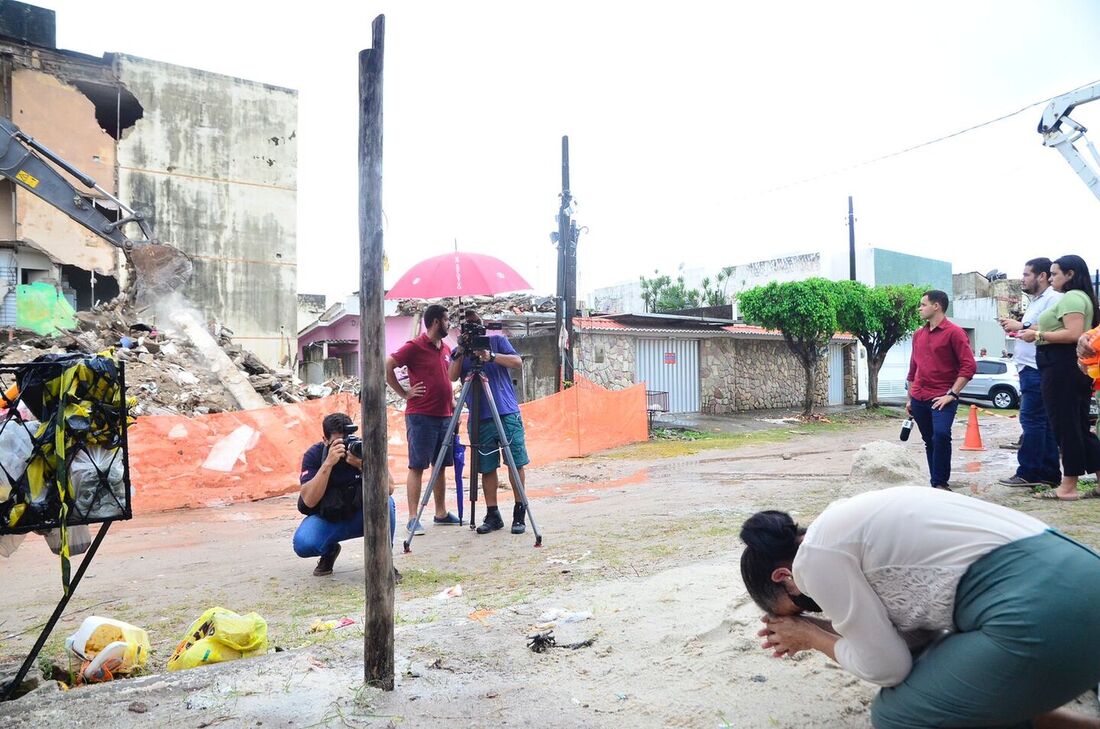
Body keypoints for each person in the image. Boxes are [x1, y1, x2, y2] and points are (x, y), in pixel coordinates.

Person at [740, 486, 1100, 729]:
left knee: (897, 714)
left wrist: (809, 636)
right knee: (941, 675)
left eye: (800, 607)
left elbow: (888, 667)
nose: (814, 610)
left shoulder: (814, 560)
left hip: (1046, 619)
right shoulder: (844, 522)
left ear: (784, 575)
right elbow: (914, 636)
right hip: (1081, 580)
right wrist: (816, 631)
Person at [1017, 254, 1100, 501]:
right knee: (1078, 427)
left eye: (1054, 273)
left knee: (1066, 428)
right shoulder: (1078, 297)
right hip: (1065, 367)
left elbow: (1074, 333)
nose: (1051, 278)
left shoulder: (1073, 297)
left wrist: (1038, 335)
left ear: (1070, 274)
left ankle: (1068, 486)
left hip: (1062, 368)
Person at [448, 311, 529, 535]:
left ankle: (520, 509)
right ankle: (492, 514)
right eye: (468, 325)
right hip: (480, 417)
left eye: (476, 323)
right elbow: (452, 376)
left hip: (505, 412)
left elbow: (517, 362)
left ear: (483, 325)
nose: (473, 328)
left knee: (515, 462)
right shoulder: (459, 352)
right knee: (486, 467)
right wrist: (462, 351)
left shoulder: (497, 341)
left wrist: (490, 356)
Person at [293, 413, 399, 580]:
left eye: (347, 439)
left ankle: (384, 560)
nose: (345, 446)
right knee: (304, 544)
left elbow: (390, 488)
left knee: (387, 502)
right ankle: (329, 550)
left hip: (361, 516)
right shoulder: (314, 455)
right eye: (338, 442)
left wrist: (362, 465)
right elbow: (309, 500)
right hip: (329, 518)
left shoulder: (362, 449)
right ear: (325, 440)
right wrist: (328, 463)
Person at [385, 304, 461, 534]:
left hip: (446, 416)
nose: (450, 324)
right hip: (421, 416)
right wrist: (404, 393)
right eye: (447, 320)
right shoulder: (414, 346)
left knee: (440, 467)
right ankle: (412, 517)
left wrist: (453, 405)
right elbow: (389, 364)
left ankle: (441, 512)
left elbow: (446, 379)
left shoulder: (446, 349)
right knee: (417, 466)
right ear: (436, 321)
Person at [998, 257, 1062, 488]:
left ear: (1041, 276)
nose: (1023, 279)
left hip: (1038, 368)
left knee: (1032, 420)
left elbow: (1053, 327)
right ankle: (1048, 472)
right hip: (1029, 367)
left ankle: (1030, 472)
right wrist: (1018, 327)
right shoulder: (1035, 301)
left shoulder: (1053, 298)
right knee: (1042, 423)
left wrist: (1021, 327)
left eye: (1026, 274)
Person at [905, 290, 976, 489]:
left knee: (942, 435)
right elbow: (913, 369)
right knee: (929, 440)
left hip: (942, 397)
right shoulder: (918, 334)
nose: (919, 308)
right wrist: (910, 399)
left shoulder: (955, 332)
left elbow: (969, 366)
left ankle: (940, 484)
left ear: (936, 306)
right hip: (919, 397)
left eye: (922, 304)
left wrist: (952, 394)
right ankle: (936, 483)